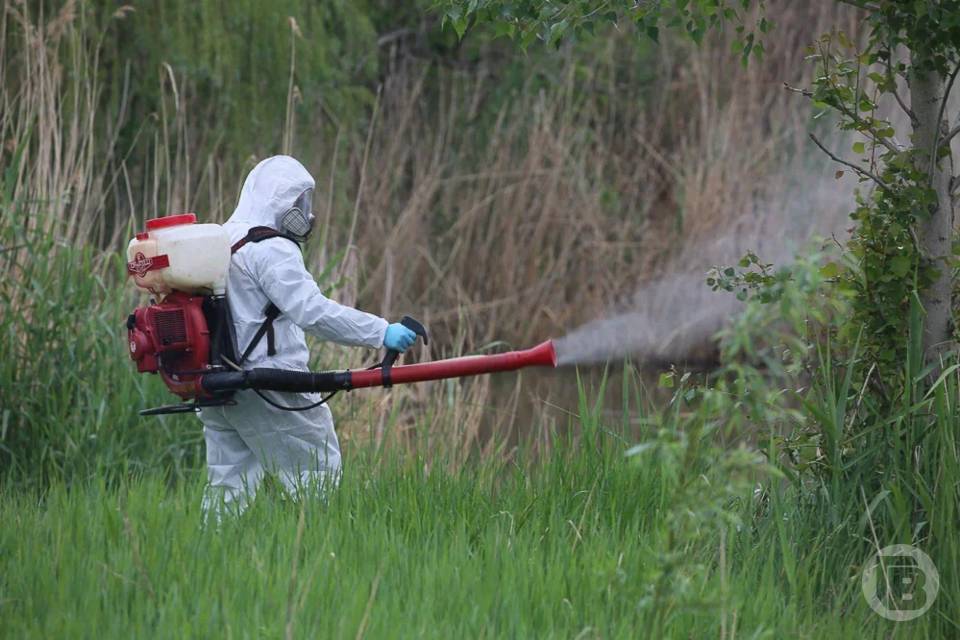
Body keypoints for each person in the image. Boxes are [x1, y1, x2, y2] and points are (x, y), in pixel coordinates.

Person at [200, 155, 416, 518]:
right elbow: (312, 312)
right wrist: (382, 332)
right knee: (318, 470)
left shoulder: (221, 240)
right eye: (299, 202)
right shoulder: (271, 249)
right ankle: (315, 552)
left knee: (228, 487)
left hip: (218, 383)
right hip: (270, 381)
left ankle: (209, 560)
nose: (306, 213)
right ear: (279, 200)